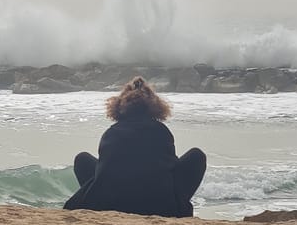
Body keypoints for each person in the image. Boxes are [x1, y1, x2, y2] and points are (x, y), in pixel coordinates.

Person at [63, 76, 206, 217]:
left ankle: (97, 203)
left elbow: (103, 170)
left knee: (82, 159)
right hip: (160, 205)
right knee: (196, 155)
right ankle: (180, 204)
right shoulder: (161, 131)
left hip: (110, 203)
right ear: (156, 107)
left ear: (119, 107)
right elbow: (169, 168)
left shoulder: (112, 132)